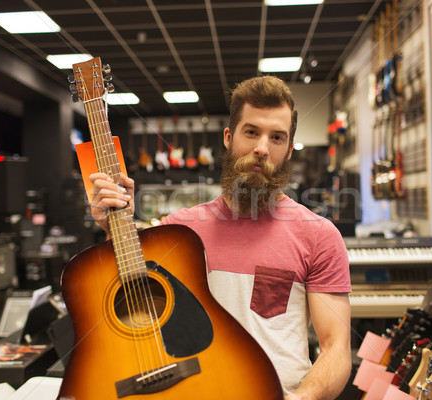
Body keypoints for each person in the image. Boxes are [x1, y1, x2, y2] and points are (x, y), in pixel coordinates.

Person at [89, 75, 352, 400]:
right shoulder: (178, 230)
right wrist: (112, 224)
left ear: (288, 150)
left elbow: (335, 348)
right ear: (229, 137)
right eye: (251, 132)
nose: (261, 148)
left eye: (277, 137)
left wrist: (303, 399)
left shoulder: (319, 236)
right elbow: (131, 306)